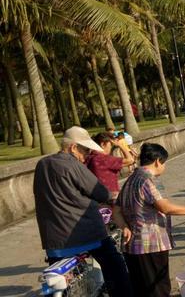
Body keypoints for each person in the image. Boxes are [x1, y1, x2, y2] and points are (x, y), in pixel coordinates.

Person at [33, 126, 133, 297]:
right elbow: (99, 192)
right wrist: (111, 196)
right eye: (85, 150)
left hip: (54, 238)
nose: (86, 155)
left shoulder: (42, 164)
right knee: (115, 264)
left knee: (59, 281)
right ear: (73, 147)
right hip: (85, 233)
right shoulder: (72, 164)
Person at [117, 143, 185, 297]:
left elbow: (116, 209)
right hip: (151, 245)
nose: (164, 167)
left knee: (140, 290)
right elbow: (165, 207)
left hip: (131, 245)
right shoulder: (148, 180)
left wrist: (124, 226)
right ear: (158, 161)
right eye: (164, 163)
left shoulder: (130, 180)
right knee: (158, 289)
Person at [86, 132, 135, 200]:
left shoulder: (90, 157)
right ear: (103, 144)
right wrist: (121, 145)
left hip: (96, 196)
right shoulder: (103, 159)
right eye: (110, 144)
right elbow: (130, 160)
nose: (111, 147)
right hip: (110, 197)